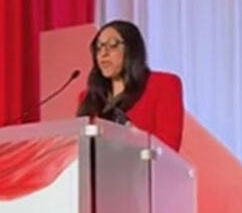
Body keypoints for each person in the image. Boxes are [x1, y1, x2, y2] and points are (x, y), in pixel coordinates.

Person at [76, 20, 184, 151]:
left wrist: (133, 135)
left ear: (132, 50)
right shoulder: (88, 97)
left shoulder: (163, 85)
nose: (103, 53)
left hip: (145, 169)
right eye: (99, 47)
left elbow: (168, 148)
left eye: (112, 45)